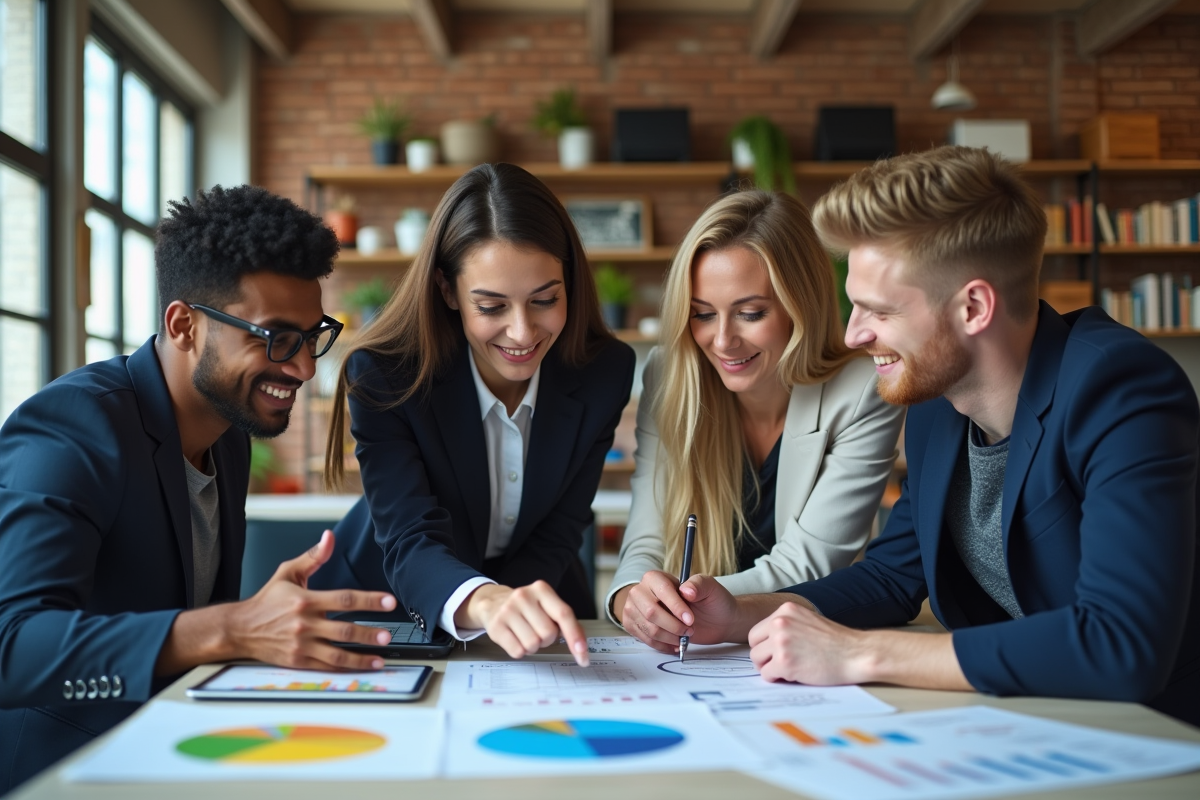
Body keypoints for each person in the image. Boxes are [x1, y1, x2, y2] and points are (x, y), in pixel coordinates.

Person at [663, 146, 1200, 726]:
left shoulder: (1121, 388)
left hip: (1156, 732)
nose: (852, 335)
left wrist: (861, 653)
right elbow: (892, 578)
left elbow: (1123, 644)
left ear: (973, 307)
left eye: (879, 311)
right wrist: (736, 614)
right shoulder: (937, 403)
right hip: (1027, 720)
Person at [0, 186, 401, 793]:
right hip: (69, 771)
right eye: (273, 337)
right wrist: (231, 627)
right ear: (184, 324)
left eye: (310, 335)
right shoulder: (73, 429)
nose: (303, 368)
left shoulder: (228, 433)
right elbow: (13, 651)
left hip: (180, 752)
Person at [317, 163, 635, 666]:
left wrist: (508, 607)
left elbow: (562, 526)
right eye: (491, 307)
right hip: (390, 606)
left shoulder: (604, 372)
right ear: (447, 291)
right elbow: (408, 535)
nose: (523, 332)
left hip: (537, 597)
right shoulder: (385, 375)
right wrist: (484, 602)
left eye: (545, 300)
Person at [606, 190, 905, 652]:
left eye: (750, 313)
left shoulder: (863, 389)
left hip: (799, 644)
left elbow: (809, 565)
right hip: (699, 647)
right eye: (702, 314)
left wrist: (691, 608)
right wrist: (632, 599)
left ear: (799, 305)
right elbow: (646, 536)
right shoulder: (669, 373)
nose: (722, 340)